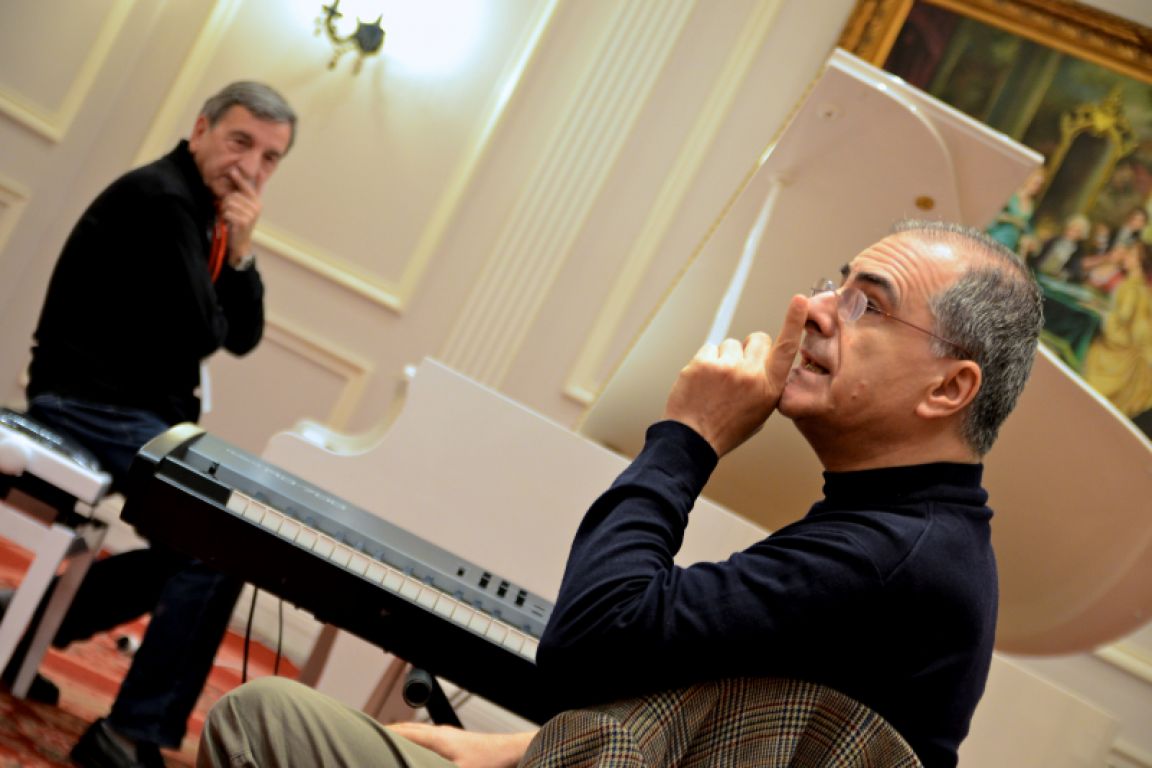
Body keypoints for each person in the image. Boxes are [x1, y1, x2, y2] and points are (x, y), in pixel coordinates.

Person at [197, 220, 1043, 768]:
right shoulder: (915, 536)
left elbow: (588, 646)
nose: (815, 309)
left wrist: (690, 434)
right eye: (836, 284)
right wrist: (521, 749)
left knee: (263, 720)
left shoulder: (889, 558)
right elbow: (712, 715)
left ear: (949, 389)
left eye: (867, 306)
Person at [0, 81, 297, 767]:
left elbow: (242, 335)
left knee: (201, 543)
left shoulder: (203, 211)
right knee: (216, 538)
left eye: (270, 157)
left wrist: (242, 252)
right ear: (201, 129)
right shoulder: (163, 199)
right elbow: (205, 329)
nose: (251, 167)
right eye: (240, 142)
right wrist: (234, 254)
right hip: (87, 406)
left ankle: (17, 626)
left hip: (132, 413)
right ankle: (128, 737)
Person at [986, 165, 1045, 258]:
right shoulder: (1011, 194)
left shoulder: (1031, 205)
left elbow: (1029, 229)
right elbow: (991, 214)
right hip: (997, 236)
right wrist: (1011, 219)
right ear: (1029, 179)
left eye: (1040, 185)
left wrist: (1031, 241)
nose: (1037, 187)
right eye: (1036, 183)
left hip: (1012, 244)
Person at [1029, 213, 1090, 282]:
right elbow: (1036, 257)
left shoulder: (1078, 251)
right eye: (1071, 228)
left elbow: (1073, 272)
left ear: (1081, 235)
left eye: (1076, 231)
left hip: (1053, 281)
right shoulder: (1053, 240)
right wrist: (1034, 251)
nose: (1072, 232)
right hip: (1037, 273)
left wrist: (1062, 274)